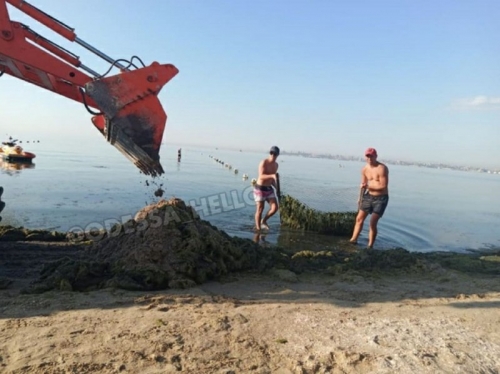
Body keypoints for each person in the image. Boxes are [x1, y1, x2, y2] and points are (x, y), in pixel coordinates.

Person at [349, 147, 389, 249]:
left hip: (381, 198)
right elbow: (363, 184)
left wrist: (367, 187)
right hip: (368, 196)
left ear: (376, 156)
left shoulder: (382, 168)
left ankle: (370, 246)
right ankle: (353, 239)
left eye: (371, 156)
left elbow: (383, 186)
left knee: (372, 222)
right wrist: (360, 197)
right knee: (359, 219)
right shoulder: (364, 169)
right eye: (368, 156)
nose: (370, 158)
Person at [253, 146, 280, 231]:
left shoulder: (276, 165)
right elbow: (261, 176)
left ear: (277, 155)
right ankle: (258, 229)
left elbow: (272, 180)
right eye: (271, 153)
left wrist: (277, 188)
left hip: (269, 189)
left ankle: (264, 221)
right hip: (260, 188)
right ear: (270, 153)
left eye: (275, 154)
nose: (273, 155)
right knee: (260, 209)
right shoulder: (263, 162)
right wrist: (272, 175)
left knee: (275, 208)